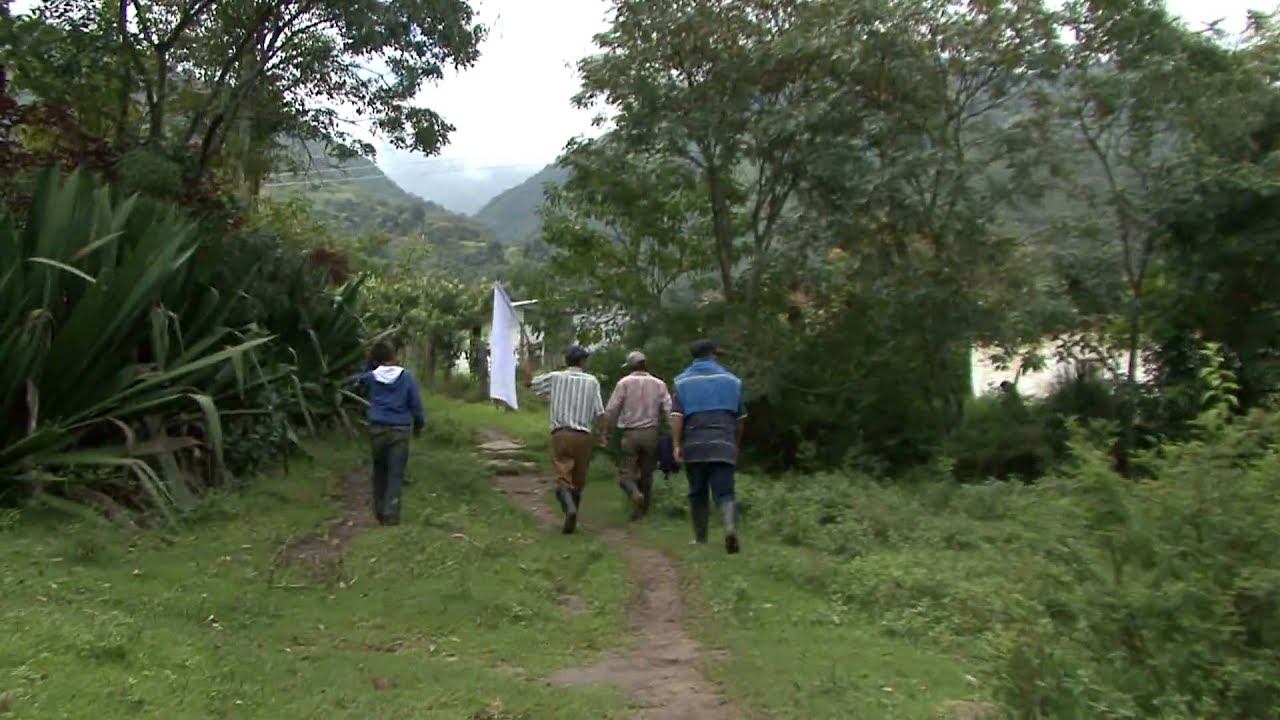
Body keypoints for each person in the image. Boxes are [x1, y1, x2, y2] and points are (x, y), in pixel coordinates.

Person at [670, 339, 746, 554]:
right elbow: (741, 418)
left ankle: (700, 538)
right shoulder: (732, 381)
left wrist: (676, 444)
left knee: (697, 492)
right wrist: (735, 444)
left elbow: (677, 416)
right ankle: (730, 529)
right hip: (724, 441)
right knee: (725, 492)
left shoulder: (682, 382)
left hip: (694, 443)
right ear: (713, 354)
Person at [531, 346, 607, 534]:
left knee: (563, 475)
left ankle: (569, 510)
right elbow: (600, 412)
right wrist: (603, 436)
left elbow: (532, 384)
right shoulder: (592, 381)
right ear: (582, 362)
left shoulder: (556, 378)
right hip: (583, 436)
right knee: (579, 480)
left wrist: (532, 360)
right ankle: (572, 516)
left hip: (561, 434)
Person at [354, 342, 426, 525]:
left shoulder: (371, 377)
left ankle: (379, 511)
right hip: (400, 432)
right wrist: (419, 424)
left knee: (379, 471)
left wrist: (370, 366)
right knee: (396, 473)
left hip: (377, 429)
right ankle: (391, 513)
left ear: (376, 360)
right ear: (393, 356)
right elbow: (416, 404)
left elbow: (357, 382)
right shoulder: (407, 377)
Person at [604, 350, 672, 520]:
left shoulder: (624, 383)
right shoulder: (659, 384)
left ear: (630, 367)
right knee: (647, 474)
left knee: (626, 474)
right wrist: (674, 433)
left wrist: (607, 430)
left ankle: (634, 494)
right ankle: (642, 511)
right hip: (651, 433)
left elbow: (612, 409)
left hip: (631, 433)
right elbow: (669, 410)